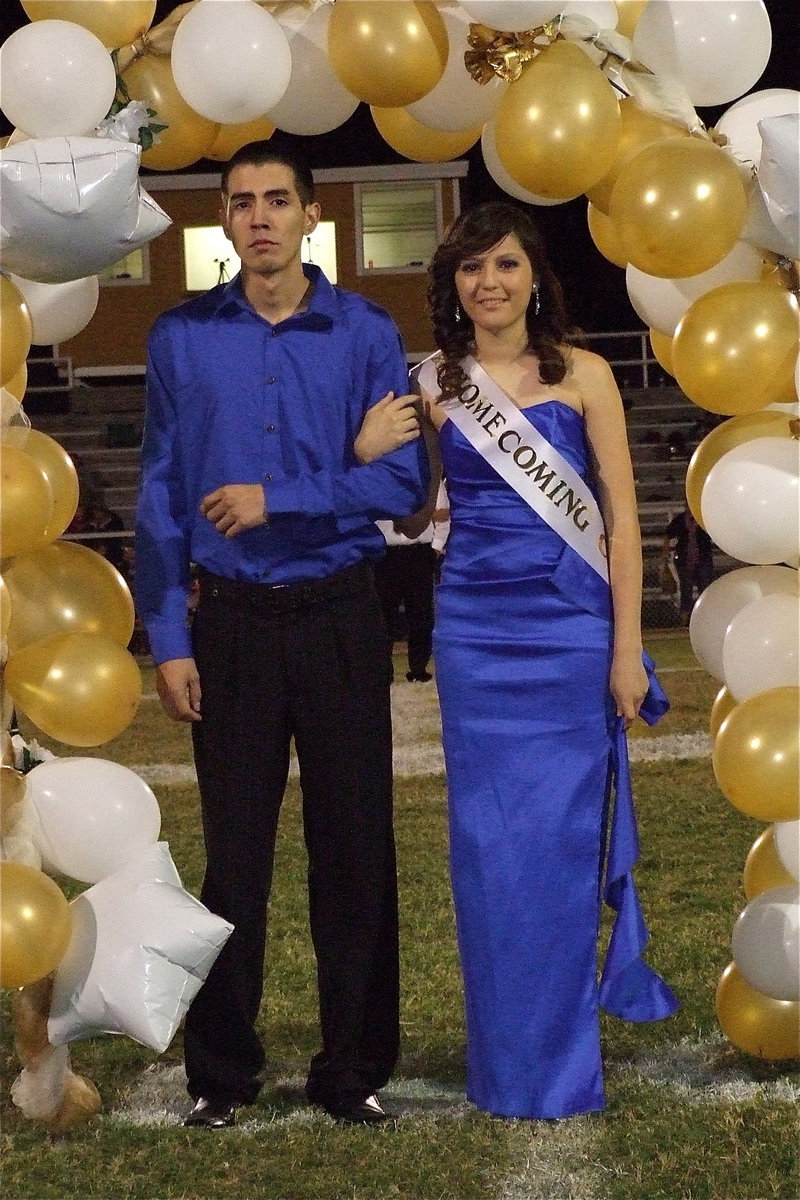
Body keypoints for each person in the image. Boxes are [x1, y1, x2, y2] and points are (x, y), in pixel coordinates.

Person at [360, 201, 678, 1120]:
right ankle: (504, 1066)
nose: (488, 283)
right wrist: (372, 449)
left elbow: (619, 517)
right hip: (473, 636)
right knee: (489, 852)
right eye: (470, 269)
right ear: (452, 286)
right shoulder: (432, 384)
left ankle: (561, 1065)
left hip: (571, 633)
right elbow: (415, 519)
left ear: (536, 275)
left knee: (563, 845)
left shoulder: (586, 374)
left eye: (504, 265)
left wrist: (628, 650)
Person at [135, 141, 429, 1130]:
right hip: (232, 631)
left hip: (342, 614)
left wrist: (282, 498)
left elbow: (398, 486)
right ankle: (222, 1075)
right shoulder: (180, 338)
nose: (258, 216)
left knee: (354, 849)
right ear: (224, 221)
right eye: (240, 202)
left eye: (276, 200)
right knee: (233, 863)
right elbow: (164, 499)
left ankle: (351, 1072)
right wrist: (168, 637)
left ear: (310, 217)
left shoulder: (365, 332)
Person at [373, 481, 450, 682]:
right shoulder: (377, 477)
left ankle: (418, 668)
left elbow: (442, 513)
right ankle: (383, 671)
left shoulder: (426, 473)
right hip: (386, 554)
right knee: (382, 615)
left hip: (420, 552)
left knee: (421, 615)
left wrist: (437, 545)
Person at [660, 506, 715, 625]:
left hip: (703, 559)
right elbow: (668, 536)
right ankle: (685, 621)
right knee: (686, 591)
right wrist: (665, 556)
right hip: (685, 561)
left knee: (705, 591)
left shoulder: (704, 520)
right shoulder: (680, 521)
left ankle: (706, 619)